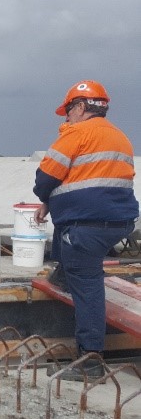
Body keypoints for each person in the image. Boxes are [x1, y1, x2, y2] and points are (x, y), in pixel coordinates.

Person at [33, 79, 138, 381]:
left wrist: (45, 198)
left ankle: (90, 362)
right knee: (68, 239)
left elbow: (45, 179)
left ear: (80, 108)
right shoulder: (119, 137)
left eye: (68, 112)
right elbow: (91, 182)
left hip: (87, 227)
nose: (65, 119)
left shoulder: (75, 134)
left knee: (88, 286)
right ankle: (64, 274)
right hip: (118, 223)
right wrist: (51, 205)